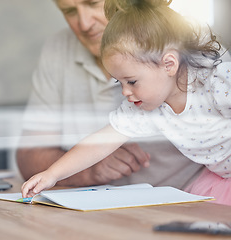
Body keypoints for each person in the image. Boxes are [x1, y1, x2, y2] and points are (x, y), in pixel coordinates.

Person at [21, 0, 231, 205]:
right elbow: (100, 142)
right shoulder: (147, 107)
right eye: (118, 81)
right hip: (217, 178)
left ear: (169, 64)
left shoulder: (216, 81)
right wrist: (52, 175)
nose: (125, 92)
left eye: (131, 81)